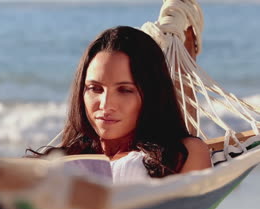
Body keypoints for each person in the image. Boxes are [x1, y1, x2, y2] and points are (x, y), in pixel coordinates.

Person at [28, 26, 212, 181]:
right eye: (95, 88)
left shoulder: (183, 154)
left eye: (125, 90)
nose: (106, 104)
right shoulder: (60, 162)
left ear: (152, 94)